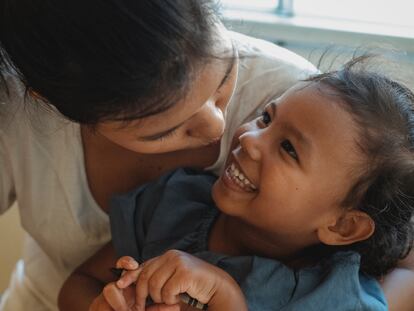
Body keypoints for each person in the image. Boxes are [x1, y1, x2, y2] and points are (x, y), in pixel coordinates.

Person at [0, 1, 412, 310]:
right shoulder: (171, 205)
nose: (236, 133)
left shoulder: (334, 294)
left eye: (223, 82)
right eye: (265, 118)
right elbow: (82, 283)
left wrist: (226, 297)